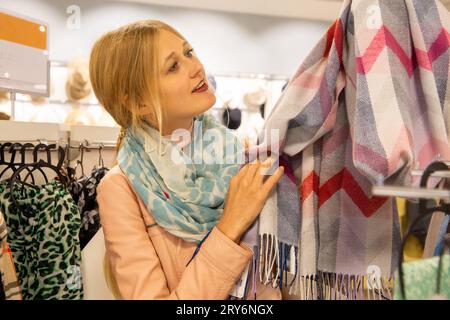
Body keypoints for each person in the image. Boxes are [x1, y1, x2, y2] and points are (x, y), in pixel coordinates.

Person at [90, 20, 284, 300]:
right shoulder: (122, 189)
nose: (196, 68)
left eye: (189, 52)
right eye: (173, 66)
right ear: (139, 103)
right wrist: (229, 226)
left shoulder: (242, 155)